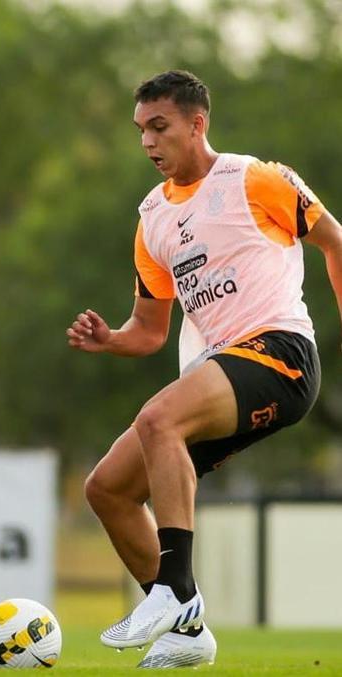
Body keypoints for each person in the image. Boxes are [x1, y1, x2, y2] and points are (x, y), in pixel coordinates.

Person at [66, 70, 342, 669]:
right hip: (222, 370)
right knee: (107, 490)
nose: (148, 143)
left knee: (159, 418)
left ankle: (172, 589)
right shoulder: (153, 220)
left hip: (281, 354)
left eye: (160, 127)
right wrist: (110, 339)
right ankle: (189, 629)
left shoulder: (255, 179)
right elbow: (150, 331)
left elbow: (335, 241)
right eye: (141, 130)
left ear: (198, 123)